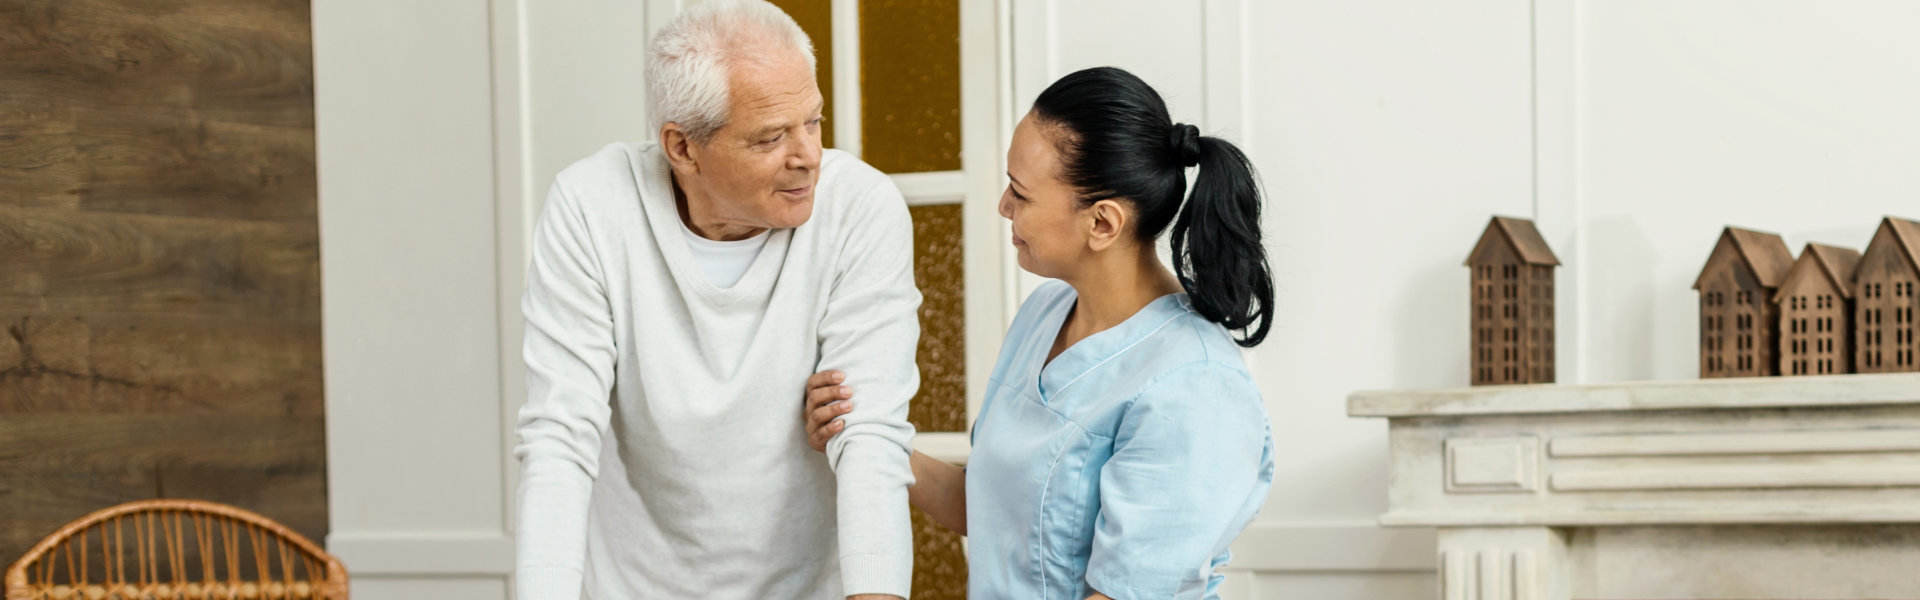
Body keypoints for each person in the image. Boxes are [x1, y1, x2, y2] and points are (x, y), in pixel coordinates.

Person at [804, 66, 1275, 599]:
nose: (1003, 205)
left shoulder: (1195, 387)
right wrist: (868, 436)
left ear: (1102, 223)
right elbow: (1002, 513)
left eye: (1020, 194)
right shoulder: (1046, 313)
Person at [515, 1, 918, 598]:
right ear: (682, 148)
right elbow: (558, 437)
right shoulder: (592, 207)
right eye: (771, 137)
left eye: (813, 121)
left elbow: (871, 438)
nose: (807, 155)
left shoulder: (861, 208)